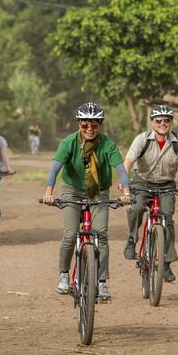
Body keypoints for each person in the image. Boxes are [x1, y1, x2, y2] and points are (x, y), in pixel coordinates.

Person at [42, 102, 131, 302]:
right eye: (85, 125)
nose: (89, 129)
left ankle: (101, 282)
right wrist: (49, 192)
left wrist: (126, 191)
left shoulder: (108, 145)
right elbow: (55, 169)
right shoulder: (68, 143)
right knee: (71, 234)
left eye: (94, 125)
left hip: (99, 191)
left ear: (100, 125)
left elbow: (121, 170)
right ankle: (64, 274)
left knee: (101, 234)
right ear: (79, 125)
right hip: (72, 190)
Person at [122, 104, 178, 282]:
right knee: (137, 208)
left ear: (171, 122)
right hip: (142, 181)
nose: (163, 123)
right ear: (152, 123)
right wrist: (124, 183)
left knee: (167, 220)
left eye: (166, 120)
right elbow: (128, 161)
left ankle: (166, 264)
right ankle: (132, 240)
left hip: (166, 185)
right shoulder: (142, 139)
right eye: (159, 121)